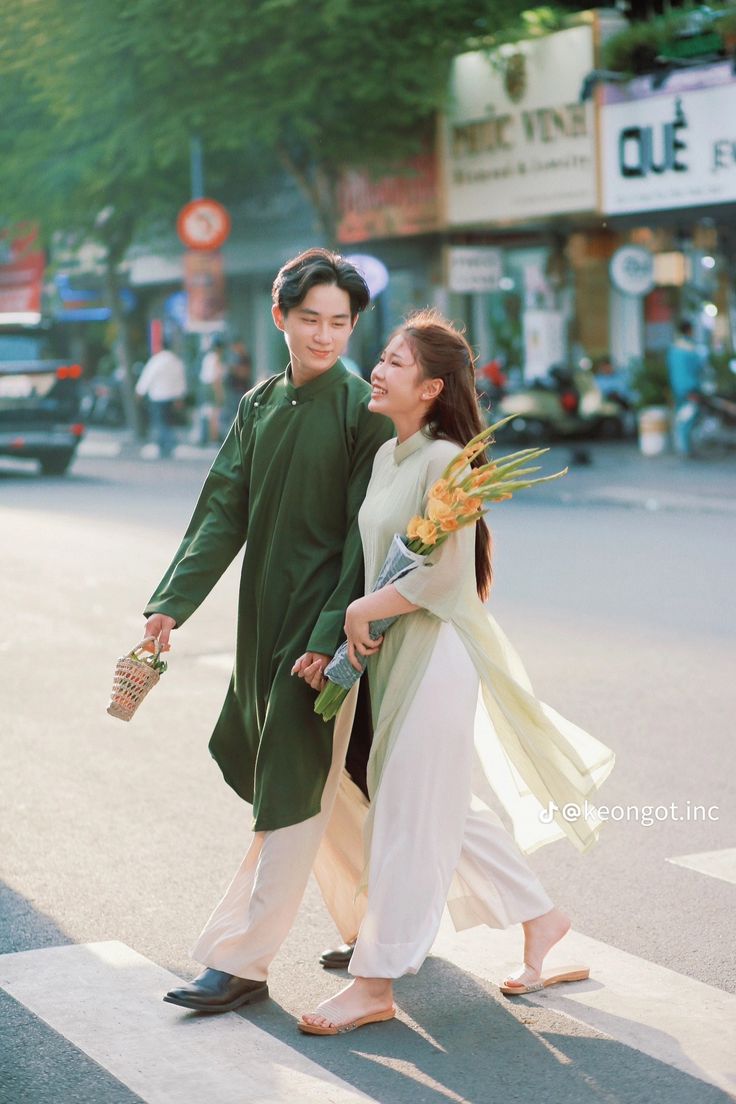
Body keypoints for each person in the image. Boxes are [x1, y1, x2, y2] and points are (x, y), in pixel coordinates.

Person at [299, 310, 616, 1035]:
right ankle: (543, 919)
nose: (377, 370)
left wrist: (361, 611)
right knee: (439, 804)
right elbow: (384, 559)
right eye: (381, 358)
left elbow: (444, 580)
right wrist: (352, 621)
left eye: (395, 363)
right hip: (395, 653)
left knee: (409, 812)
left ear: (433, 387)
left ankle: (375, 981)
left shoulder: (449, 461)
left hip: (437, 657)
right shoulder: (389, 455)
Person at [141, 248, 393, 1013]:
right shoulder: (256, 404)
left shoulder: (364, 409)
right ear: (280, 317)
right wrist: (169, 604)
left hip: (326, 628)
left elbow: (367, 540)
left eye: (340, 323)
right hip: (263, 619)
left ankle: (242, 962)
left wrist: (328, 636)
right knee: (340, 787)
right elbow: (223, 510)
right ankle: (384, 924)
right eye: (310, 319)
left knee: (290, 778)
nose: (324, 336)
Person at [135, 341, 188, 459]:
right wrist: (180, 397)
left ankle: (165, 444)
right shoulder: (176, 361)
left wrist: (140, 391)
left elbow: (147, 377)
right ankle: (168, 444)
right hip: (172, 397)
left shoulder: (156, 360)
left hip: (158, 396)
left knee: (160, 422)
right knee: (168, 421)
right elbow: (181, 380)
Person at [667, 321, 705, 458]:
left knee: (681, 416)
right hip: (690, 388)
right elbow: (697, 369)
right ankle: (685, 448)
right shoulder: (690, 349)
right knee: (689, 417)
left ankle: (682, 446)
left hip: (678, 388)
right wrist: (694, 388)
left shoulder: (674, 348)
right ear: (689, 330)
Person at [198, 336, 227, 445]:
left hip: (205, 386)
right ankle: (213, 439)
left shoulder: (208, 357)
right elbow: (216, 379)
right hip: (212, 387)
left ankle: (206, 438)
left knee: (207, 413)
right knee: (215, 414)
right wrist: (220, 394)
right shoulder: (216, 359)